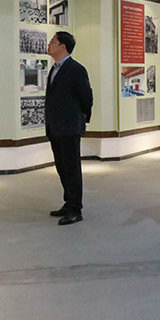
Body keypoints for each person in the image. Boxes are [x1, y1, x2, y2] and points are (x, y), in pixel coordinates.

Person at [46, 31, 94, 225]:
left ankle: (75, 209)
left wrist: (81, 118)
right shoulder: (54, 69)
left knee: (72, 168)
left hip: (69, 127)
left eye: (52, 41)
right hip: (55, 127)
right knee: (62, 167)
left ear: (62, 47)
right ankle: (68, 202)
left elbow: (86, 97)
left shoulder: (75, 69)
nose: (49, 44)